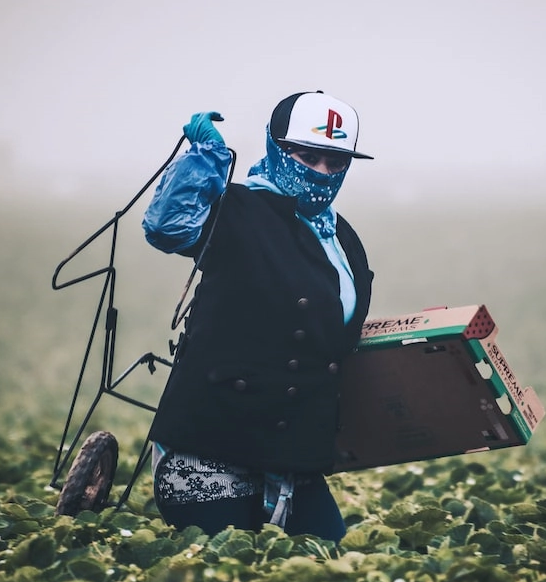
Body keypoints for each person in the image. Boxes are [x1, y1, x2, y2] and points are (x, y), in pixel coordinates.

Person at [141, 91, 374, 542]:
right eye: (309, 157)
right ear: (276, 148)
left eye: (336, 162)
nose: (322, 173)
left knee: (332, 562)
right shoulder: (238, 209)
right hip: (211, 449)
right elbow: (168, 227)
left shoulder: (342, 237)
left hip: (291, 460)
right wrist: (206, 159)